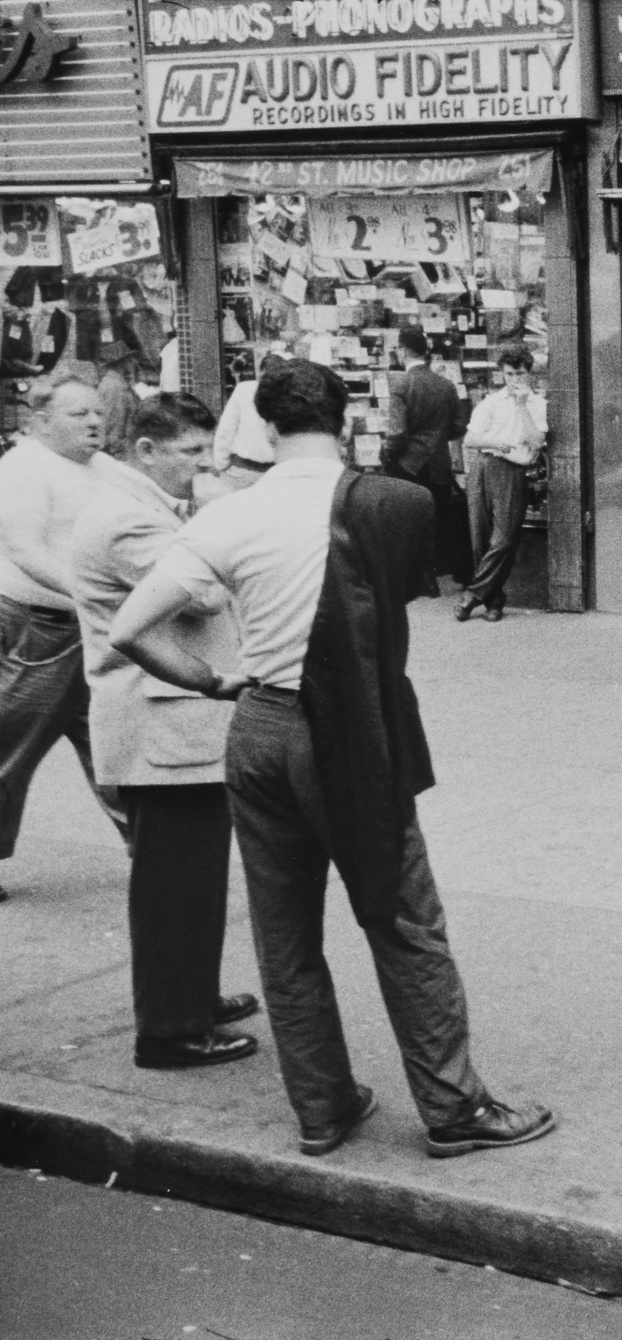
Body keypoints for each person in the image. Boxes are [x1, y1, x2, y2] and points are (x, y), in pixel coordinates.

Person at [109, 359, 554, 1160]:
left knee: (285, 935)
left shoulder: (228, 516)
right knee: (403, 921)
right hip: (353, 731)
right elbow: (398, 594)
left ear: (266, 427)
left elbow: (129, 628)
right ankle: (453, 1106)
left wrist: (210, 680)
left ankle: (322, 1107)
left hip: (259, 724)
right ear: (344, 419)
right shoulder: (393, 504)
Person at [68, 392, 261, 1069]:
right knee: (175, 886)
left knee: (193, 880)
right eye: (189, 452)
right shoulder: (128, 519)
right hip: (162, 730)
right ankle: (171, 1030)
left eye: (207, 449)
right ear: (146, 451)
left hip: (175, 725)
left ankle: (191, 1000)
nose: (203, 465)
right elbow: (203, 592)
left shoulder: (148, 506)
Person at [0, 373, 129, 903]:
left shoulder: (105, 467)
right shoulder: (23, 467)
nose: (95, 422)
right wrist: (92, 593)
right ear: (40, 421)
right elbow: (24, 550)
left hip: (95, 627)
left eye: (97, 411)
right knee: (9, 748)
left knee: (116, 740)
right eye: (79, 414)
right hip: (41, 630)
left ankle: (153, 848)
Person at [457, 345, 547, 623]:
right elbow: (470, 439)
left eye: (519, 373)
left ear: (529, 374)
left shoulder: (538, 404)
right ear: (502, 374)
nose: (514, 379)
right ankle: (494, 602)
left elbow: (536, 441)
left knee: (504, 539)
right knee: (480, 538)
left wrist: (521, 406)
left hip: (512, 471)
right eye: (509, 374)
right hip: (484, 466)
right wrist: (496, 442)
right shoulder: (491, 402)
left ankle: (472, 594)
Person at [382, 326, 473, 594]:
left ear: (403, 351)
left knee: (410, 522)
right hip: (439, 463)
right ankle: (457, 574)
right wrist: (438, 438)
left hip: (409, 465)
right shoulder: (446, 385)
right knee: (441, 520)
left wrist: (388, 454)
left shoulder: (401, 384)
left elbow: (396, 433)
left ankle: (426, 580)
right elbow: (459, 426)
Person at [211, 347, 286, 474]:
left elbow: (226, 429)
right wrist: (221, 464)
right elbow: (226, 430)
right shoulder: (286, 395)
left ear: (260, 372)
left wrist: (221, 465)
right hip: (259, 468)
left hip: (248, 468)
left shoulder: (244, 390)